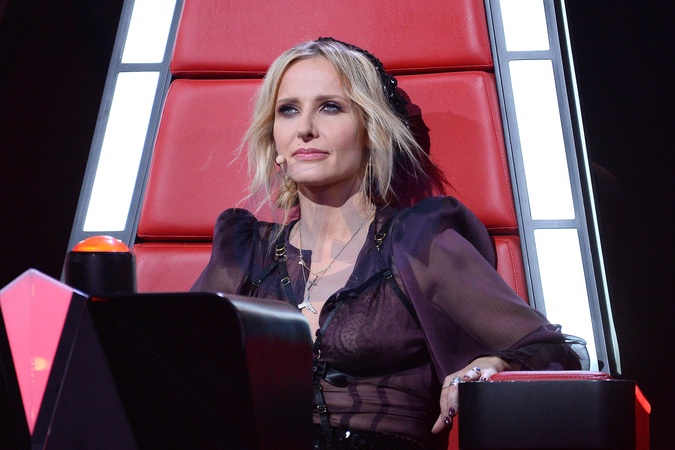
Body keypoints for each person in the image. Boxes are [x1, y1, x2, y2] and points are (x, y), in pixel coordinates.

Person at [192, 37, 588, 449]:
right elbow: (168, 360)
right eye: (288, 110)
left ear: (371, 129)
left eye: (330, 107)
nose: (304, 128)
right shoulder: (246, 252)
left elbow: (548, 349)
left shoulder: (416, 244)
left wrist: (490, 363)